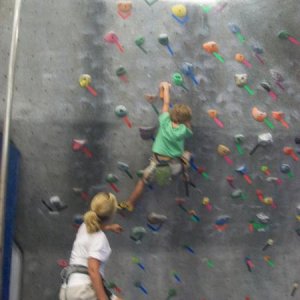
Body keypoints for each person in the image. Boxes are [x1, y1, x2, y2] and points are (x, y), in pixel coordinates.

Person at [118, 82, 193, 212]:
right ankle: (185, 173)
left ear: (172, 115)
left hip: (157, 165)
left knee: (142, 181)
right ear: (186, 121)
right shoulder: (185, 130)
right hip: (174, 166)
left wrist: (165, 88)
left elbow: (165, 104)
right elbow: (188, 125)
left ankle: (130, 203)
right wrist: (186, 119)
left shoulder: (164, 121)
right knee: (187, 154)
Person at [59, 192, 123, 300]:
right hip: (83, 292)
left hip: (68, 290)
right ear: (112, 214)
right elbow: (93, 270)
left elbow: (94, 231)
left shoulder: (85, 226)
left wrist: (109, 227)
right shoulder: (100, 239)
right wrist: (103, 298)